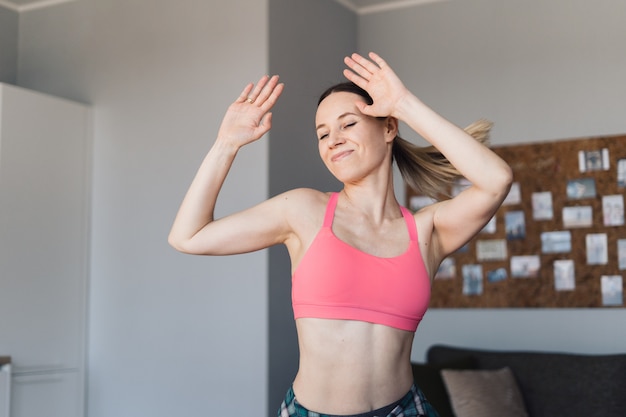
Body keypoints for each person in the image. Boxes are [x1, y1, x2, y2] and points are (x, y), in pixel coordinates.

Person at [168, 52, 513, 417]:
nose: (333, 139)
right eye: (323, 133)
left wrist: (403, 103)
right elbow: (188, 236)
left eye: (347, 124)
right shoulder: (303, 211)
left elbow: (497, 180)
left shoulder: (427, 232)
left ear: (388, 128)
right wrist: (226, 143)